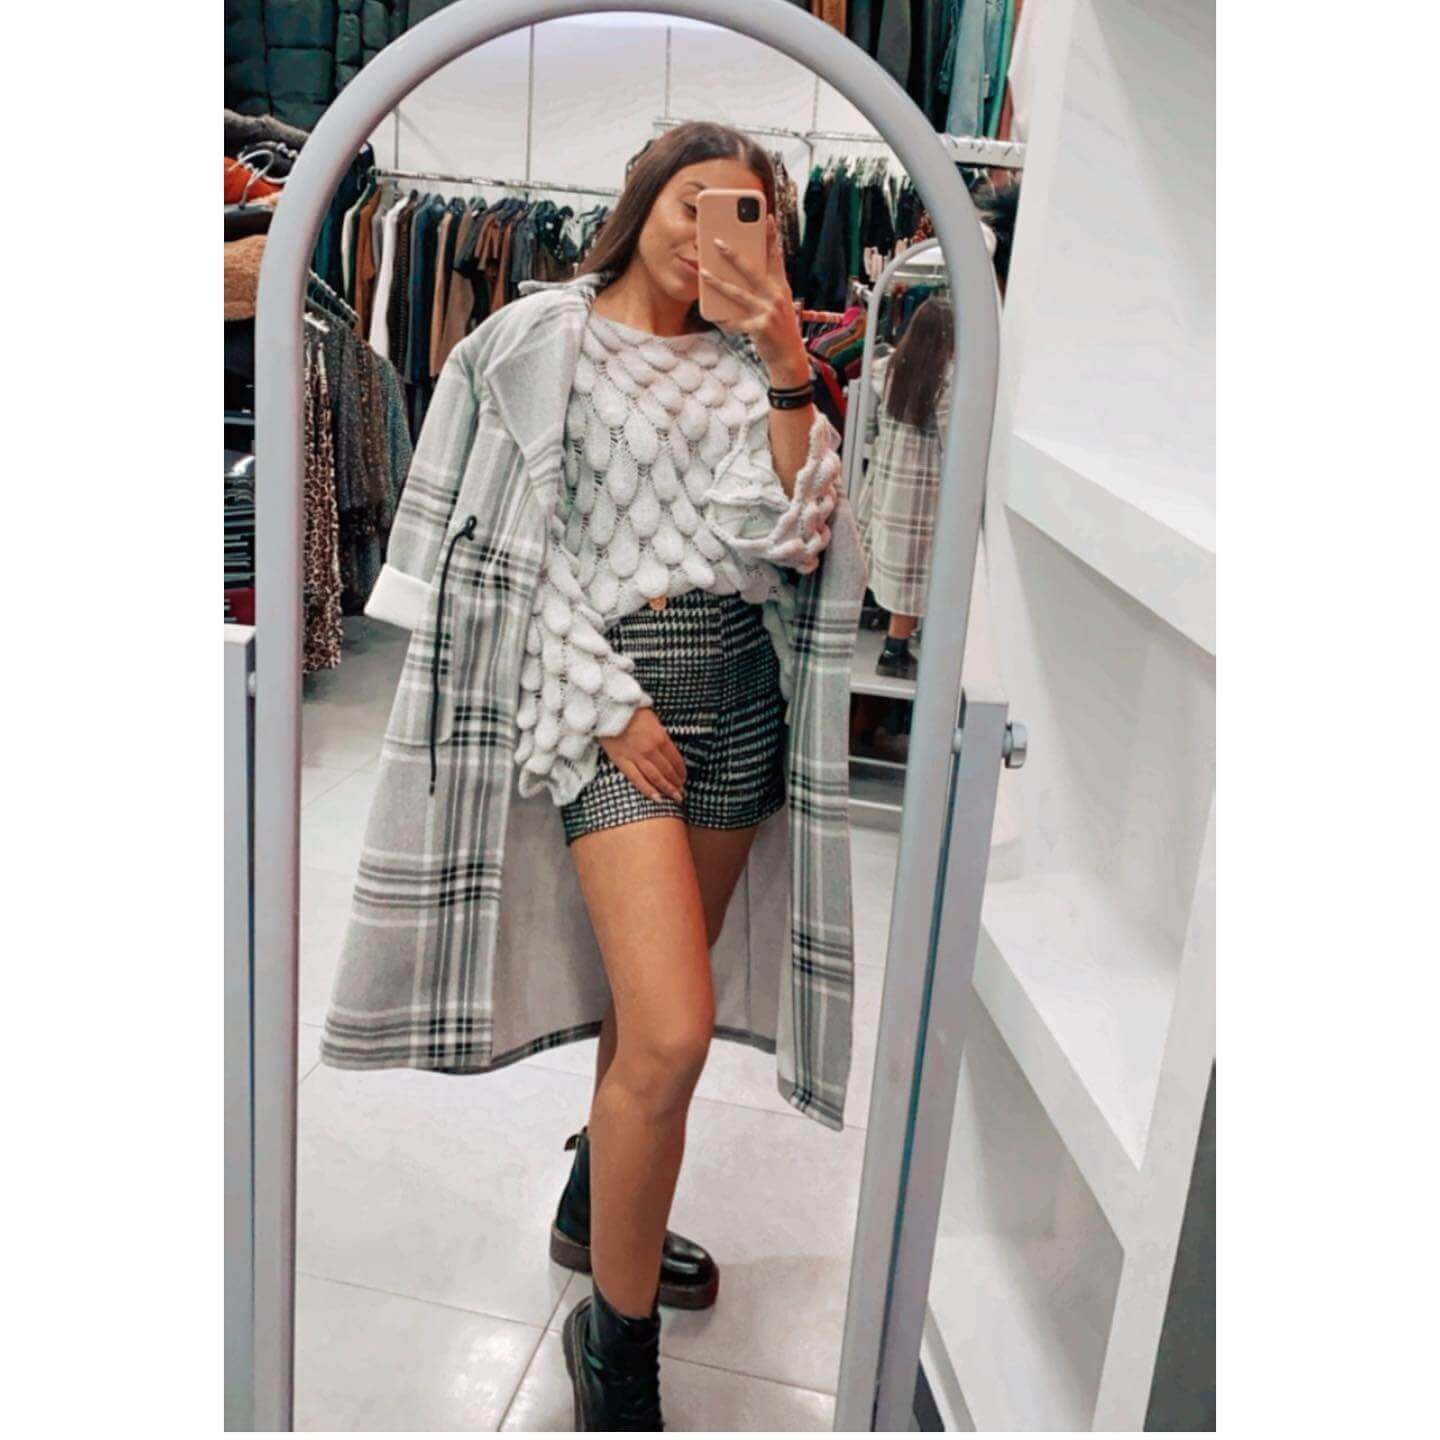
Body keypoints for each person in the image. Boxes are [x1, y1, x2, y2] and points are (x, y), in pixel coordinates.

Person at [523, 123, 836, 1429]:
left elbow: (793, 537)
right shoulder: (544, 337)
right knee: (670, 1033)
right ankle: (618, 1352)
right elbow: (508, 550)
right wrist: (607, 707)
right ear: (645, 199)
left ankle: (599, 1206)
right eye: (694, 199)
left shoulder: (756, 363)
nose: (710, 228)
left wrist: (787, 362)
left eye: (745, 211)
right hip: (613, 700)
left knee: (650, 1013)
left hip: (739, 693)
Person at [860, 294, 954, 678]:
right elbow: (953, 443)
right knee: (913, 570)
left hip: (885, 479)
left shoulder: (887, 368)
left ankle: (883, 625)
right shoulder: (947, 382)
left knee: (886, 557)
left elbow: (869, 429)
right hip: (921, 487)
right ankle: (893, 650)